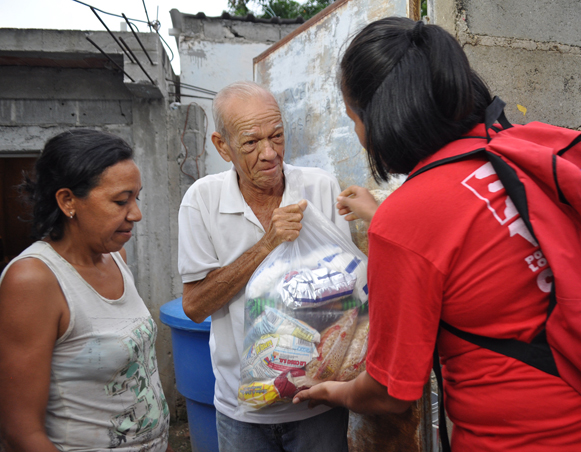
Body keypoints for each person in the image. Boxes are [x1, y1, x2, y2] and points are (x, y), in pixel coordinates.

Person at [292, 17, 581, 451]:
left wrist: (333, 391)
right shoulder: (529, 149)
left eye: (353, 119)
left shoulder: (406, 219)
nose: (359, 134)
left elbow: (390, 391)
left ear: (381, 116)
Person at [177, 81, 351, 452]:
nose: (270, 153)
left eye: (277, 136)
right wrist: (268, 244)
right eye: (252, 142)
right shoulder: (201, 201)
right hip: (242, 411)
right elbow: (194, 307)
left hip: (317, 403)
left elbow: (348, 294)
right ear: (222, 146)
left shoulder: (319, 188)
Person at [0, 129, 170, 451]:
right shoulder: (34, 280)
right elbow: (20, 433)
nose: (136, 214)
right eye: (121, 200)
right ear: (67, 201)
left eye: (137, 197)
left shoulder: (114, 258)